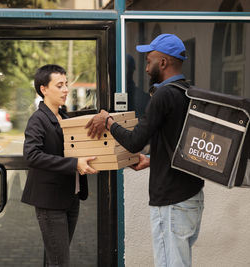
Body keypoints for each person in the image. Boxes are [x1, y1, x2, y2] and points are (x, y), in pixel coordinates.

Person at [86, 34, 205, 267]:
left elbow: (134, 142)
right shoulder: (188, 92)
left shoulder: (163, 95)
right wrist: (151, 160)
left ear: (163, 62)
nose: (146, 66)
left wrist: (108, 121)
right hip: (191, 196)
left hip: (171, 201)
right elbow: (180, 143)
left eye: (149, 60)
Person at [22, 64, 97, 267]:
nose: (66, 90)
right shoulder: (38, 120)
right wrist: (74, 164)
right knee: (59, 262)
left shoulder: (64, 117)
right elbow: (32, 155)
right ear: (43, 89)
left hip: (71, 197)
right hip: (50, 202)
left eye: (66, 84)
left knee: (54, 259)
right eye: (59, 85)